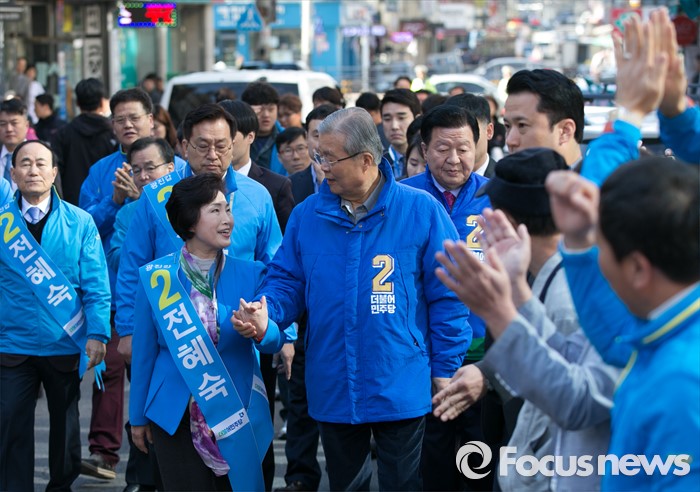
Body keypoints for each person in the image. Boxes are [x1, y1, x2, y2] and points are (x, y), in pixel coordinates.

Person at [245, 107, 471, 491]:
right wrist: (268, 310)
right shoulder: (307, 215)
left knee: (403, 484)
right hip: (333, 378)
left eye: (330, 158)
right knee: (347, 484)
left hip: (399, 379)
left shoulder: (420, 211)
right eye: (319, 156)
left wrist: (445, 367)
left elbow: (450, 296)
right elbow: (286, 280)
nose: (321, 167)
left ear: (366, 160)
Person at [434, 148, 618, 491]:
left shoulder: (568, 294)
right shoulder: (545, 273)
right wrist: (515, 289)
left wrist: (497, 310)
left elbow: (568, 401)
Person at [546, 158, 699, 490]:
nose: (599, 260)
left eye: (600, 248)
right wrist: (579, 242)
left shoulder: (681, 383)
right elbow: (615, 337)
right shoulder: (667, 328)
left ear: (638, 269)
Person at [130, 173, 285, 491]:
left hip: (236, 408)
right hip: (174, 413)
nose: (228, 219)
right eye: (215, 210)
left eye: (228, 209)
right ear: (189, 221)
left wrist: (261, 330)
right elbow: (144, 353)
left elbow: (274, 341)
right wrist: (137, 418)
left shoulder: (252, 273)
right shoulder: (157, 278)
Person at [115, 102, 283, 366]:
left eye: (221, 146)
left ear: (233, 145)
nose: (212, 155)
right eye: (203, 146)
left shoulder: (257, 196)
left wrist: (282, 329)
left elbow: (275, 266)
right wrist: (127, 329)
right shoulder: (156, 196)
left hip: (239, 335)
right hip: (173, 335)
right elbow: (133, 263)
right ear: (185, 146)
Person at [0, 140, 110, 492]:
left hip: (63, 341)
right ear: (13, 173)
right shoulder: (3, 224)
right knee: (10, 425)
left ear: (54, 172)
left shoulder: (80, 222)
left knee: (65, 427)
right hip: (12, 344)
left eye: (40, 163)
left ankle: (61, 487)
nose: (33, 170)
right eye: (25, 163)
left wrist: (98, 333)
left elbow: (96, 284)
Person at [401, 104, 490, 491]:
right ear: (424, 149)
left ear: (479, 146)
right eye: (442, 148)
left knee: (479, 457)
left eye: (463, 148)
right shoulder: (403, 198)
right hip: (422, 356)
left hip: (482, 354)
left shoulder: (495, 197)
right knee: (431, 460)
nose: (454, 159)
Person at [276, 104, 338, 492]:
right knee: (298, 401)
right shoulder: (293, 188)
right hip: (300, 316)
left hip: (340, 315)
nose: (319, 145)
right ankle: (300, 475)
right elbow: (285, 265)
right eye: (315, 135)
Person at [51, 78, 116, 205]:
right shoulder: (114, 134)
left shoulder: (63, 134)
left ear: (77, 103)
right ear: (102, 102)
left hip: (72, 205)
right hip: (108, 204)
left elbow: (56, 174)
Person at [504, 69, 584, 167]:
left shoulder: (596, 175)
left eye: (522, 125)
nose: (510, 141)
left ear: (565, 131)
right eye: (507, 126)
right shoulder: (499, 175)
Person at [446, 93, 498, 177]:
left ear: (489, 131)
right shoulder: (432, 179)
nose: (460, 140)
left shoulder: (506, 180)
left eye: (472, 132)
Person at [241, 81, 284, 173]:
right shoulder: (238, 138)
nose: (266, 115)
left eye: (271, 109)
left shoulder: (287, 138)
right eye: (260, 110)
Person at [380, 89, 421, 179]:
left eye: (401, 118)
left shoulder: (430, 161)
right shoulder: (377, 164)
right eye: (387, 119)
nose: (394, 126)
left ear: (417, 119)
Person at [0, 98, 32, 193]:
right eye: (3, 124)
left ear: (26, 125)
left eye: (14, 123)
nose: (9, 129)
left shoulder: (41, 155)